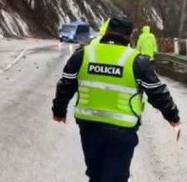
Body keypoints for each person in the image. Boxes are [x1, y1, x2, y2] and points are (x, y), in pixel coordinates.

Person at [52, 16, 180, 182]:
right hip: (122, 129)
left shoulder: (84, 54)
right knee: (116, 176)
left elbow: (66, 85)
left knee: (95, 173)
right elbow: (156, 92)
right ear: (129, 35)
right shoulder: (136, 60)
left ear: (106, 31)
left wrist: (59, 111)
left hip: (89, 125)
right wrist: (172, 116)